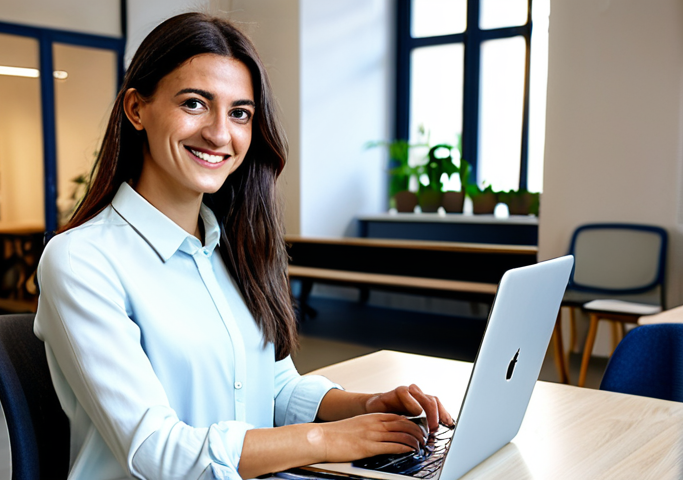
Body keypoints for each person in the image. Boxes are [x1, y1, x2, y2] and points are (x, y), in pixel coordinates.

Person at [34, 12, 453, 480]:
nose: (219, 134)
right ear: (137, 109)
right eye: (195, 104)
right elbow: (155, 449)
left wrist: (362, 407)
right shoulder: (83, 260)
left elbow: (272, 387)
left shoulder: (232, 247)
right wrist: (327, 439)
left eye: (240, 113)